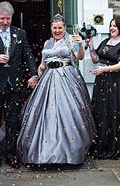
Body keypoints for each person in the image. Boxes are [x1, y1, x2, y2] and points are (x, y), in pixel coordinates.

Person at [18, 14, 95, 164]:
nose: (57, 30)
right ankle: (45, 152)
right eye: (55, 28)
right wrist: (36, 77)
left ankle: (70, 151)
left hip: (67, 78)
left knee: (67, 112)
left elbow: (79, 57)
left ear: (65, 28)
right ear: (51, 28)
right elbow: (42, 65)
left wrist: (79, 45)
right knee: (47, 114)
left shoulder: (71, 40)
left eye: (60, 27)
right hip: (48, 78)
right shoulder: (47, 43)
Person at [0, 1, 38, 173]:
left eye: (8, 19)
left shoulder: (20, 33)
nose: (5, 22)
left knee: (13, 121)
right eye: (2, 18)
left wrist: (33, 74)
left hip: (15, 85)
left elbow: (28, 55)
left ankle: (11, 155)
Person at [88, 15, 120, 159]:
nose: (112, 28)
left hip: (115, 82)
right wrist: (90, 47)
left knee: (112, 110)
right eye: (111, 25)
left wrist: (104, 70)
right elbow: (96, 59)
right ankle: (100, 146)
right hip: (101, 81)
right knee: (100, 110)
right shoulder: (106, 41)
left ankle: (113, 147)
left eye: (115, 25)